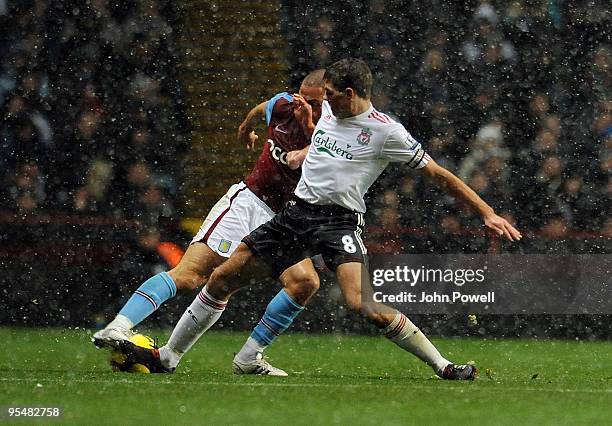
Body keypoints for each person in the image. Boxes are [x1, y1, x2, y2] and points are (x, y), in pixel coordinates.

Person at [120, 58, 522, 380]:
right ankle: (171, 356)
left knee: (360, 302)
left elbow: (439, 175)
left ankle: (443, 365)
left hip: (339, 223)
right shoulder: (326, 112)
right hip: (296, 215)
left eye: (329, 95)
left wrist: (486, 212)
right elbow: (288, 117)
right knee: (223, 277)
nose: (321, 101)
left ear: (350, 94)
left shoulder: (387, 133)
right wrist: (269, 134)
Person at [93, 70, 326, 375]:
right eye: (301, 98)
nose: (303, 106)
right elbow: (263, 108)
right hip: (248, 204)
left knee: (303, 282)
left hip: (284, 220)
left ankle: (245, 358)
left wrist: (310, 122)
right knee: (190, 275)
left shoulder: (333, 132)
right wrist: (246, 128)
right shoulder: (285, 106)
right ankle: (119, 326)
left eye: (314, 102)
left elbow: (318, 153)